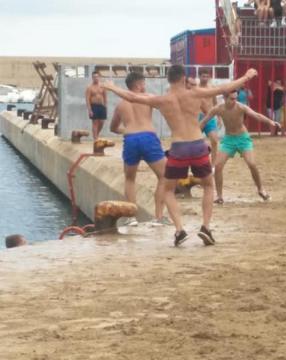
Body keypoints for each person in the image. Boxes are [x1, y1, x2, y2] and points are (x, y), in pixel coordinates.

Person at [102, 65, 258, 247]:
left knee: (168, 189)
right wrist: (247, 76)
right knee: (208, 185)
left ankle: (179, 230)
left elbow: (132, 96)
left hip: (178, 148)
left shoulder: (162, 99)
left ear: (168, 80)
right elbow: (224, 88)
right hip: (198, 144)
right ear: (184, 78)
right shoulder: (195, 93)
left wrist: (112, 87)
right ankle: (206, 227)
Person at [110, 72, 169, 227]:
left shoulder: (121, 105)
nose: (145, 85)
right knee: (164, 176)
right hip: (148, 137)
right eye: (144, 83)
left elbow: (113, 128)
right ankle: (159, 217)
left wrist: (129, 130)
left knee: (130, 179)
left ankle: (131, 218)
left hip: (130, 139)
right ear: (138, 85)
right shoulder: (148, 97)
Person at [200, 90, 279, 204]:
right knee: (218, 166)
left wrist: (270, 121)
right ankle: (219, 196)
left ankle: (261, 189)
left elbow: (256, 115)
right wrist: (192, 134)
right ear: (225, 98)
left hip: (243, 138)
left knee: (251, 163)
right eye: (232, 99)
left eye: (235, 98)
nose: (234, 101)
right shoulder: (218, 109)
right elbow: (204, 121)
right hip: (228, 140)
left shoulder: (241, 107)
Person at [196, 70, 221, 168]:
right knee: (194, 141)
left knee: (214, 140)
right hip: (198, 117)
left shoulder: (211, 88)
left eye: (207, 76)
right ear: (199, 77)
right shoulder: (196, 89)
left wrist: (219, 117)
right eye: (203, 76)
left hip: (210, 117)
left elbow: (215, 103)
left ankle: (213, 165)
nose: (205, 78)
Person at [85, 71, 108, 139]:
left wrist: (105, 107)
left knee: (102, 122)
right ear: (92, 78)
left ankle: (96, 135)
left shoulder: (102, 86)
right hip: (94, 106)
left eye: (97, 77)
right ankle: (95, 138)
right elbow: (87, 99)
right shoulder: (89, 87)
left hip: (102, 106)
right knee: (95, 123)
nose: (96, 78)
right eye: (94, 77)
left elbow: (105, 97)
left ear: (99, 77)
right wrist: (90, 110)